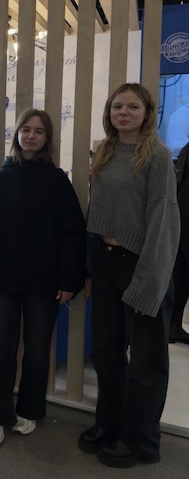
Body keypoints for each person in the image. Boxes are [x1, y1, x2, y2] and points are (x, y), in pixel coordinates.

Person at [0, 108, 86, 445]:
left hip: (44, 283)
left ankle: (30, 410)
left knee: (36, 350)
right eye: (26, 129)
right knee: (0, 350)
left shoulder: (57, 181)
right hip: (4, 281)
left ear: (47, 139)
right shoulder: (1, 178)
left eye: (39, 131)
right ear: (17, 134)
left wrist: (68, 280)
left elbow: (71, 234)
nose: (31, 136)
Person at [78, 83, 180, 468]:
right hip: (106, 263)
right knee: (106, 353)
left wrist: (148, 282)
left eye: (132, 107)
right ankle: (110, 426)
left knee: (146, 363)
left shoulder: (156, 156)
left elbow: (164, 219)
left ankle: (142, 442)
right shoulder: (104, 151)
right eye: (117, 106)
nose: (124, 112)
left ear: (147, 112)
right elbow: (96, 213)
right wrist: (90, 268)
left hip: (142, 264)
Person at [169, 141, 189, 344]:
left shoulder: (186, 149)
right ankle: (172, 325)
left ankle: (173, 325)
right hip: (184, 216)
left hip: (181, 216)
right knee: (181, 275)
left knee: (181, 275)